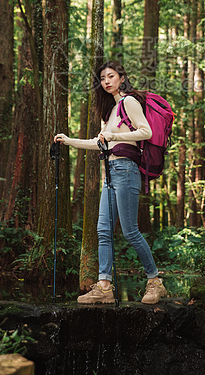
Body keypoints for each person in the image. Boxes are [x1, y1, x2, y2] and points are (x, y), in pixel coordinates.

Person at [54, 60, 167, 305]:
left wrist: (114, 135)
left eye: (111, 76)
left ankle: (155, 281)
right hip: (111, 172)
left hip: (126, 170)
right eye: (103, 78)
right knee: (103, 230)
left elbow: (145, 131)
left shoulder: (129, 102)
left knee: (130, 231)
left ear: (122, 77)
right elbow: (100, 143)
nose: (106, 81)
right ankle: (104, 286)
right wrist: (68, 140)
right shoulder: (111, 111)